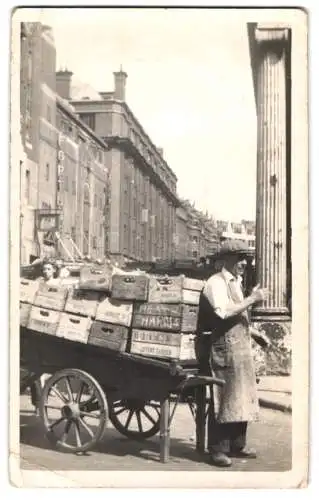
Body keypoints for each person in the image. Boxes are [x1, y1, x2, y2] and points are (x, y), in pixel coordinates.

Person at [195, 240, 269, 467]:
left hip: (238, 346)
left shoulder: (235, 283)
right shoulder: (215, 283)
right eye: (240, 259)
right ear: (226, 260)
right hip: (220, 347)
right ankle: (217, 449)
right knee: (224, 396)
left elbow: (237, 315)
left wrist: (254, 332)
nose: (244, 263)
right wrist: (252, 299)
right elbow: (223, 312)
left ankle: (238, 444)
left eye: (246, 259)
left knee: (243, 394)